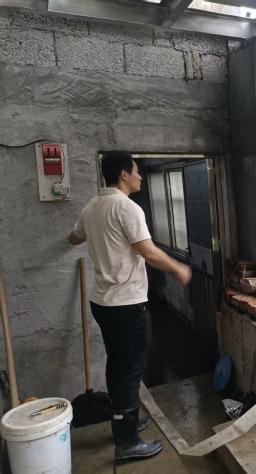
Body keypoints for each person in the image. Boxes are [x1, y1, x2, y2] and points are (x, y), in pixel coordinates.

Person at [68, 151, 192, 464]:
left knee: (117, 364)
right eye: (136, 171)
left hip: (102, 303)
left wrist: (97, 239)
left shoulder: (92, 207)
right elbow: (148, 252)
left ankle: (126, 420)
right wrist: (178, 268)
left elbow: (74, 238)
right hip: (126, 305)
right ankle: (127, 443)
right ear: (123, 174)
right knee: (130, 370)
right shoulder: (127, 208)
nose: (139, 177)